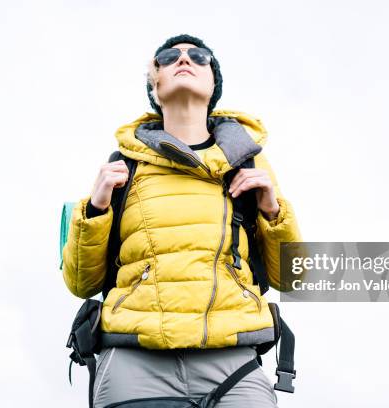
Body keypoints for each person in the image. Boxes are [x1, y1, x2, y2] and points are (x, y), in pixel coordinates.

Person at [62, 33, 303, 408]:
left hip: (232, 362)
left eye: (199, 56)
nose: (184, 59)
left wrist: (272, 210)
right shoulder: (124, 165)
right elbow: (81, 283)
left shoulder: (250, 164)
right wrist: (95, 210)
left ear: (213, 85)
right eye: (169, 57)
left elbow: (289, 278)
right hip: (135, 363)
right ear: (155, 86)